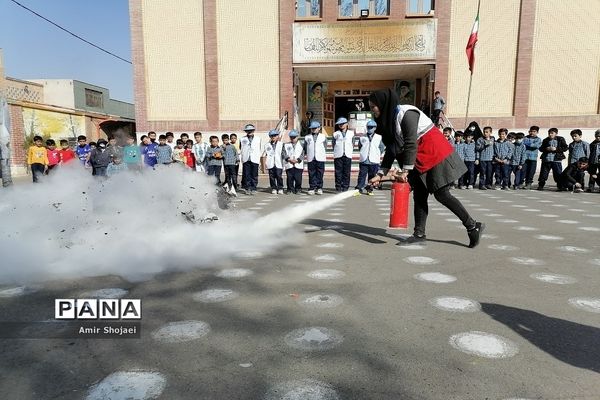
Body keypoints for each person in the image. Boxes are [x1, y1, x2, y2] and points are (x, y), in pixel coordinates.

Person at [367, 88, 484, 248]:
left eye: (374, 106)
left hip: (433, 152)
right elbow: (392, 148)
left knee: (441, 194)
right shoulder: (388, 121)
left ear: (383, 104)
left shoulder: (407, 114)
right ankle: (419, 234)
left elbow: (410, 142)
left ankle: (472, 225)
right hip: (416, 157)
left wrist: (405, 171)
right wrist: (380, 173)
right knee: (420, 195)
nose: (372, 110)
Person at [356, 120, 385, 195]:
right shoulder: (362, 137)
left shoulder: (379, 137)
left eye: (371, 127)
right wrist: (363, 153)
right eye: (368, 127)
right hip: (364, 160)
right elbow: (360, 146)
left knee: (372, 176)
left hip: (374, 160)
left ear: (375, 128)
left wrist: (377, 154)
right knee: (362, 175)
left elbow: (381, 147)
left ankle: (370, 189)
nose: (369, 129)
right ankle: (359, 189)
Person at [304, 120, 327, 195]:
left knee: (320, 173)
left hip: (320, 157)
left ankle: (319, 187)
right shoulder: (307, 137)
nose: (313, 129)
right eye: (312, 128)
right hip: (311, 157)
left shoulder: (323, 137)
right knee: (311, 173)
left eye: (315, 128)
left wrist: (320, 153)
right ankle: (312, 187)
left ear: (319, 128)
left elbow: (325, 146)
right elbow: (305, 147)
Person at [332, 118, 354, 192]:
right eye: (339, 124)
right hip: (338, 155)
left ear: (346, 124)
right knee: (338, 172)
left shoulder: (351, 133)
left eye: (342, 123)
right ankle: (338, 187)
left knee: (347, 172)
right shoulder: (335, 134)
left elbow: (353, 143)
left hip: (347, 155)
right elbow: (333, 144)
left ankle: (345, 187)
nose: (341, 125)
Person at [240, 124, 262, 195]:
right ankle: (248, 188)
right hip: (246, 158)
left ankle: (254, 187)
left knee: (254, 174)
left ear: (253, 130)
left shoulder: (258, 139)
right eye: (247, 131)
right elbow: (241, 148)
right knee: (246, 175)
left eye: (251, 130)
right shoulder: (242, 139)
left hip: (255, 158)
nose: (249, 132)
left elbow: (259, 148)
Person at [263, 130, 284, 194]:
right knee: (271, 177)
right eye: (272, 136)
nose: (273, 137)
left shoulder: (281, 144)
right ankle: (274, 188)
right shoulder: (267, 145)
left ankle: (280, 188)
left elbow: (283, 154)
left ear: (277, 136)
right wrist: (265, 164)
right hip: (270, 163)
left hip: (278, 163)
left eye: (275, 135)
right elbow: (265, 155)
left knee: (279, 176)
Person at [284, 130, 304, 194]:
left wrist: (298, 160)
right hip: (289, 163)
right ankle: (289, 189)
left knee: (298, 178)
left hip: (298, 163)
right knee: (290, 178)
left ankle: (298, 189)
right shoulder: (286, 145)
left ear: (297, 137)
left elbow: (303, 153)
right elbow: (284, 153)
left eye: (294, 137)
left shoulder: (301, 144)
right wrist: (289, 159)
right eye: (291, 137)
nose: (292, 139)